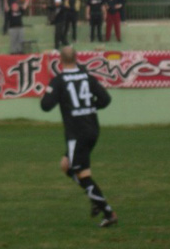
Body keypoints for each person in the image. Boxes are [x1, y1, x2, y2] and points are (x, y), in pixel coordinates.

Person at [40, 46, 117, 228]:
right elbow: (105, 99)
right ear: (77, 58)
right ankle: (95, 199)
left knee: (81, 174)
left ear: (60, 61)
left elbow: (45, 105)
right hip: (92, 128)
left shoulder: (59, 81)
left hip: (77, 132)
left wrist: (51, 92)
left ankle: (107, 211)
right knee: (66, 166)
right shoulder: (88, 77)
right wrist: (89, 108)